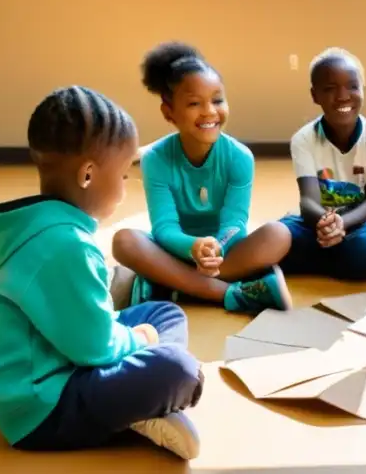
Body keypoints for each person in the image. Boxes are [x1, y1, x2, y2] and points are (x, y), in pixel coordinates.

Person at [0, 86, 204, 460]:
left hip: (51, 364)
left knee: (166, 313)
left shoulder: (36, 223)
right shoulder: (65, 245)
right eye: (125, 174)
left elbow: (82, 325)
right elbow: (94, 347)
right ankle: (139, 410)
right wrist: (138, 340)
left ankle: (134, 398)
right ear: (88, 175)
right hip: (40, 407)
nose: (127, 186)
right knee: (179, 369)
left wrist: (133, 334)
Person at [112, 42, 292, 313]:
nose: (209, 111)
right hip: (175, 249)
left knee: (279, 234)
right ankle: (230, 293)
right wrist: (193, 247)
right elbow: (164, 228)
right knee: (124, 241)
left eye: (217, 100)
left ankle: (171, 285)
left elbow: (235, 222)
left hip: (225, 253)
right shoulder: (156, 159)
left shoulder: (240, 157)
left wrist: (214, 250)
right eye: (195, 103)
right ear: (168, 112)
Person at [278, 48, 366, 280]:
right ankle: (350, 261)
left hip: (363, 221)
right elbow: (308, 201)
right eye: (330, 89)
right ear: (315, 96)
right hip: (317, 222)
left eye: (352, 86)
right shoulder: (303, 139)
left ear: (362, 89)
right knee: (274, 236)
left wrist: (342, 223)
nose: (343, 96)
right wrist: (327, 224)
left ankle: (357, 257)